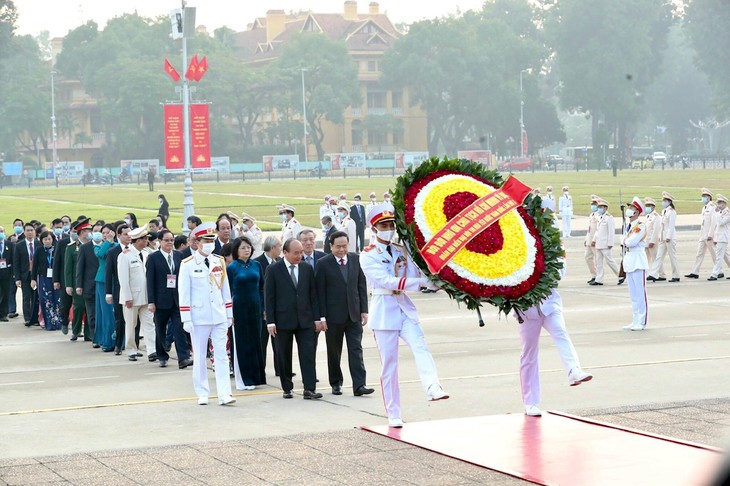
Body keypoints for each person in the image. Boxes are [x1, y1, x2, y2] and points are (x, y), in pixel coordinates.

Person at [360, 202, 448, 428]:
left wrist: (431, 278)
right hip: (384, 311)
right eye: (384, 225)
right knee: (390, 365)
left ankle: (432, 387)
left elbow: (414, 272)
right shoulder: (368, 255)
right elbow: (387, 281)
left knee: (421, 346)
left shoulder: (401, 250)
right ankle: (393, 413)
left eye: (391, 224)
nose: (389, 228)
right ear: (374, 229)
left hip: (403, 307)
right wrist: (420, 283)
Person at [515, 276, 593, 417]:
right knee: (529, 352)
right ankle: (530, 402)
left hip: (550, 304)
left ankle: (574, 371)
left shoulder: (556, 253)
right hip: (526, 310)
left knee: (561, 334)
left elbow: (558, 272)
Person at [178, 222, 236, 406]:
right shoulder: (187, 264)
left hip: (218, 314)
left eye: (212, 239)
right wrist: (186, 318)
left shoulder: (218, 261)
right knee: (200, 356)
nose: (210, 243)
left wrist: (228, 313)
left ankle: (224, 393)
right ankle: (202, 392)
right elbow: (184, 293)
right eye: (206, 240)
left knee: (222, 356)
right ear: (197, 242)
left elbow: (225, 289)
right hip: (199, 316)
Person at [315, 230, 373, 397]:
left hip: (353, 314)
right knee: (334, 351)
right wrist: (322, 317)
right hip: (333, 317)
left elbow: (361, 285)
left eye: (344, 246)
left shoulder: (356, 259)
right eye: (338, 247)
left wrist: (364, 309)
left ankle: (359, 384)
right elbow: (320, 293)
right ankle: (336, 382)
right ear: (331, 246)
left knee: (356, 349)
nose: (341, 250)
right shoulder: (323, 263)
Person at [265, 238, 323, 400]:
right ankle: (287, 387)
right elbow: (269, 297)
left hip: (305, 320)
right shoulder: (273, 269)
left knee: (308, 354)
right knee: (284, 355)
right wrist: (270, 321)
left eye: (301, 253)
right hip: (282, 321)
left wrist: (317, 318)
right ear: (285, 252)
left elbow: (313, 296)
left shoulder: (306, 268)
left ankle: (309, 388)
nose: (299, 256)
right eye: (296, 253)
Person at [146, 229, 191, 368]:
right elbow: (150, 281)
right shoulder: (153, 258)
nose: (170, 242)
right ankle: (162, 355)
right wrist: (151, 301)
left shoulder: (179, 256)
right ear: (160, 241)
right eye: (166, 240)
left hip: (177, 299)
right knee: (160, 329)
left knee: (179, 328)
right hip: (161, 300)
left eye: (172, 240)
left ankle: (183, 358)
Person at [228, 237, 266, 390]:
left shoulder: (256, 265)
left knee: (256, 341)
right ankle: (244, 379)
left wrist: (263, 308)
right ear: (237, 250)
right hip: (239, 308)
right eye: (243, 247)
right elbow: (227, 291)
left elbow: (262, 288)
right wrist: (229, 312)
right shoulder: (232, 268)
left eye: (248, 247)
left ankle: (256, 377)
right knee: (243, 343)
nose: (246, 250)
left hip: (255, 307)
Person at [117, 225, 157, 362]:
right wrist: (127, 297)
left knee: (149, 324)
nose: (146, 241)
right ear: (138, 240)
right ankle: (131, 350)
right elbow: (123, 278)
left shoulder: (146, 254)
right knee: (131, 325)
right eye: (144, 239)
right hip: (132, 297)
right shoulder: (125, 256)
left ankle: (152, 350)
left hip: (146, 296)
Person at [621, 197, 649, 331]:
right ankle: (635, 319)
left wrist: (624, 240)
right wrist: (625, 240)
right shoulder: (629, 226)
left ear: (637, 212)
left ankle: (642, 321)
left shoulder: (640, 226)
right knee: (633, 294)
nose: (629, 210)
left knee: (640, 293)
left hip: (638, 259)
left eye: (632, 208)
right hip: (630, 259)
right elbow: (627, 241)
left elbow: (631, 242)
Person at [255, 236, 282, 377]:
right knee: (262, 342)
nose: (281, 249)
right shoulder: (258, 263)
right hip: (263, 311)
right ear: (272, 248)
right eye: (279, 246)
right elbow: (260, 289)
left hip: (278, 309)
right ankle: (260, 371)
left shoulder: (280, 262)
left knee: (278, 342)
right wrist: (264, 308)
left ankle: (280, 369)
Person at [105, 223, 130, 354]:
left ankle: (133, 344)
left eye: (130, 234)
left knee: (133, 319)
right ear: (118, 235)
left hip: (133, 289)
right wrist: (108, 293)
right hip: (118, 290)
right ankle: (118, 345)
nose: (128, 237)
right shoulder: (113, 252)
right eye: (125, 234)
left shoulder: (134, 250)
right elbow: (109, 274)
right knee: (120, 318)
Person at [77, 222, 102, 345]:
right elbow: (80, 268)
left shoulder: (109, 247)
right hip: (89, 286)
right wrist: (79, 285)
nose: (97, 233)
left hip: (104, 286)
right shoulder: (85, 248)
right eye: (95, 231)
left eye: (100, 231)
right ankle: (94, 338)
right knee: (92, 314)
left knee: (102, 314)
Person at [30, 230, 62, 330]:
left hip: (56, 278)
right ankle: (48, 323)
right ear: (42, 240)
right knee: (46, 300)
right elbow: (34, 266)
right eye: (45, 239)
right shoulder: (39, 250)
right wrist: (33, 279)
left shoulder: (57, 249)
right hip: (44, 278)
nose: (47, 241)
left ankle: (57, 322)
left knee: (57, 299)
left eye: (49, 239)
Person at [94, 224, 118, 351]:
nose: (105, 235)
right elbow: (102, 254)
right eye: (103, 233)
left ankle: (119, 341)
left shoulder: (118, 246)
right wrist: (108, 242)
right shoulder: (98, 246)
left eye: (108, 232)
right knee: (106, 312)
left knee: (117, 312)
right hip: (103, 282)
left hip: (116, 281)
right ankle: (107, 341)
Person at [65, 219, 90, 341]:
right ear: (80, 232)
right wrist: (69, 285)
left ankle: (89, 333)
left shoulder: (92, 246)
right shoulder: (71, 248)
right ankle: (76, 330)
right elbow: (68, 268)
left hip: (90, 282)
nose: (89, 233)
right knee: (79, 307)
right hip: (77, 282)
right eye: (86, 231)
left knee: (90, 308)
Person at [648, 192, 680, 283]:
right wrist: (660, 236)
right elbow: (662, 226)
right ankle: (654, 274)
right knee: (659, 256)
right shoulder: (664, 211)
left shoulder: (672, 212)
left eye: (665, 200)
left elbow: (671, 225)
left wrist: (668, 237)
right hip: (663, 237)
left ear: (669, 202)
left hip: (669, 238)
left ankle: (676, 275)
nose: (663, 202)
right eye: (663, 200)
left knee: (672, 256)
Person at [13, 223, 40, 326]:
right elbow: (16, 263)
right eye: (28, 230)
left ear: (35, 232)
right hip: (25, 274)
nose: (30, 232)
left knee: (35, 297)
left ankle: (35, 317)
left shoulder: (38, 244)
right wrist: (17, 278)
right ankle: (28, 318)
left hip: (36, 274)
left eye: (31, 230)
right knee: (26, 297)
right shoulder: (19, 245)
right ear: (24, 232)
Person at [686, 188, 716, 279]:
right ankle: (695, 272)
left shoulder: (712, 208)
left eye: (704, 196)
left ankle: (719, 271)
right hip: (703, 235)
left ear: (709, 197)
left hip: (709, 235)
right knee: (699, 253)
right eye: (702, 196)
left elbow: (713, 222)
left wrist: (711, 234)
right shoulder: (704, 208)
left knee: (714, 253)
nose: (703, 198)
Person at [590, 199, 620, 285]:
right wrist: (593, 240)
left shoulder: (609, 218)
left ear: (605, 208)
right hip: (598, 243)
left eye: (601, 207)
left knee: (609, 261)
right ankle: (599, 279)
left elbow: (611, 232)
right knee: (598, 262)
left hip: (606, 244)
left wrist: (610, 243)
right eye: (598, 207)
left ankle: (620, 275)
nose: (599, 209)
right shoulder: (599, 217)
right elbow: (597, 230)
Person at [708, 195, 730, 281]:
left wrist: (716, 213)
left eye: (720, 202)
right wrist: (715, 238)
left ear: (724, 203)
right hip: (719, 237)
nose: (718, 204)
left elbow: (721, 223)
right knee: (726, 256)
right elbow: (717, 227)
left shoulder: (727, 213)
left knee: (719, 257)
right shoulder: (721, 212)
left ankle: (714, 274)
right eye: (718, 202)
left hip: (723, 238)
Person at [585, 196, 599, 284]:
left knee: (599, 259)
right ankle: (594, 275)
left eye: (594, 204)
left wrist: (594, 240)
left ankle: (599, 277)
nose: (593, 205)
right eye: (592, 204)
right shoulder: (592, 214)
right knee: (587, 257)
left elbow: (598, 229)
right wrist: (586, 239)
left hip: (595, 241)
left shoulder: (599, 215)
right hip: (589, 240)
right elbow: (589, 229)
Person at [0, 226, 13, 322]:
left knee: (6, 293)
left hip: (6, 273)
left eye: (1, 231)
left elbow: (13, 259)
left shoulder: (10, 244)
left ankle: (3, 314)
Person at [644, 197, 661, 268]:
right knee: (646, 259)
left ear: (653, 207)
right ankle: (647, 273)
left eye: (649, 206)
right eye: (646, 206)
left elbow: (656, 230)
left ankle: (660, 274)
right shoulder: (647, 216)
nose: (647, 207)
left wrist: (653, 241)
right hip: (646, 241)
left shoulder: (656, 216)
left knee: (655, 258)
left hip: (652, 241)